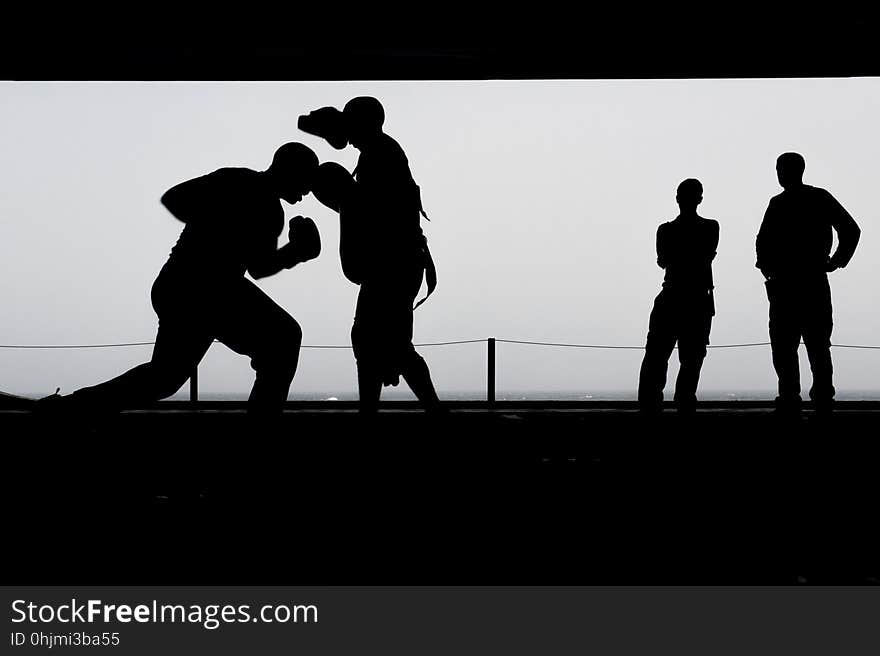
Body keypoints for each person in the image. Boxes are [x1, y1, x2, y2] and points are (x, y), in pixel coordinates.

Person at [37, 143, 322, 417]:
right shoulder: (242, 185)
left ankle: (69, 409)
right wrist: (288, 250)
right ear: (290, 170)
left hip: (197, 288)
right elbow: (175, 199)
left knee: (165, 377)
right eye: (306, 179)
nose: (308, 190)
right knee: (282, 339)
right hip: (201, 289)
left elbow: (258, 266)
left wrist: (293, 253)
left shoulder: (261, 202)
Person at [311, 155, 441, 413]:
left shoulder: (351, 204)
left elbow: (352, 268)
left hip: (385, 280)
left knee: (372, 343)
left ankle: (373, 411)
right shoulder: (371, 194)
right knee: (396, 346)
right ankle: (430, 407)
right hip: (405, 274)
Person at [756, 152, 861, 413]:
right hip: (809, 283)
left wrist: (836, 261)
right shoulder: (817, 198)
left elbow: (762, 242)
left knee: (788, 346)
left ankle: (793, 396)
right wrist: (835, 261)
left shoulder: (781, 203)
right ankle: (820, 396)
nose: (778, 174)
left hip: (790, 286)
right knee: (813, 346)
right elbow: (850, 230)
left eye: (780, 169)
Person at [638, 179, 719, 412]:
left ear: (677, 198)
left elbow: (663, 260)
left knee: (660, 355)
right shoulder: (710, 228)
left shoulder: (667, 230)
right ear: (700, 199)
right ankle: (681, 401)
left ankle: (652, 404)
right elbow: (704, 256)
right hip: (694, 299)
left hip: (675, 296)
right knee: (689, 357)